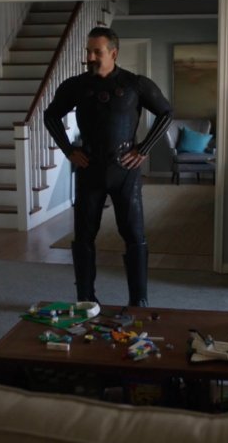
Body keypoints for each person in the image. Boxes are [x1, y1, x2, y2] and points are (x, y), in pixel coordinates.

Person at [43, 26, 173, 307]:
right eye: (88, 51)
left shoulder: (135, 84)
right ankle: (85, 298)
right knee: (84, 236)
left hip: (125, 170)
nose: (90, 56)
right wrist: (68, 150)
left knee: (134, 235)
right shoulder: (76, 86)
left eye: (97, 52)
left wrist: (144, 149)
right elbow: (50, 115)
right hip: (89, 169)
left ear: (113, 53)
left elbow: (166, 112)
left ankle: (138, 300)